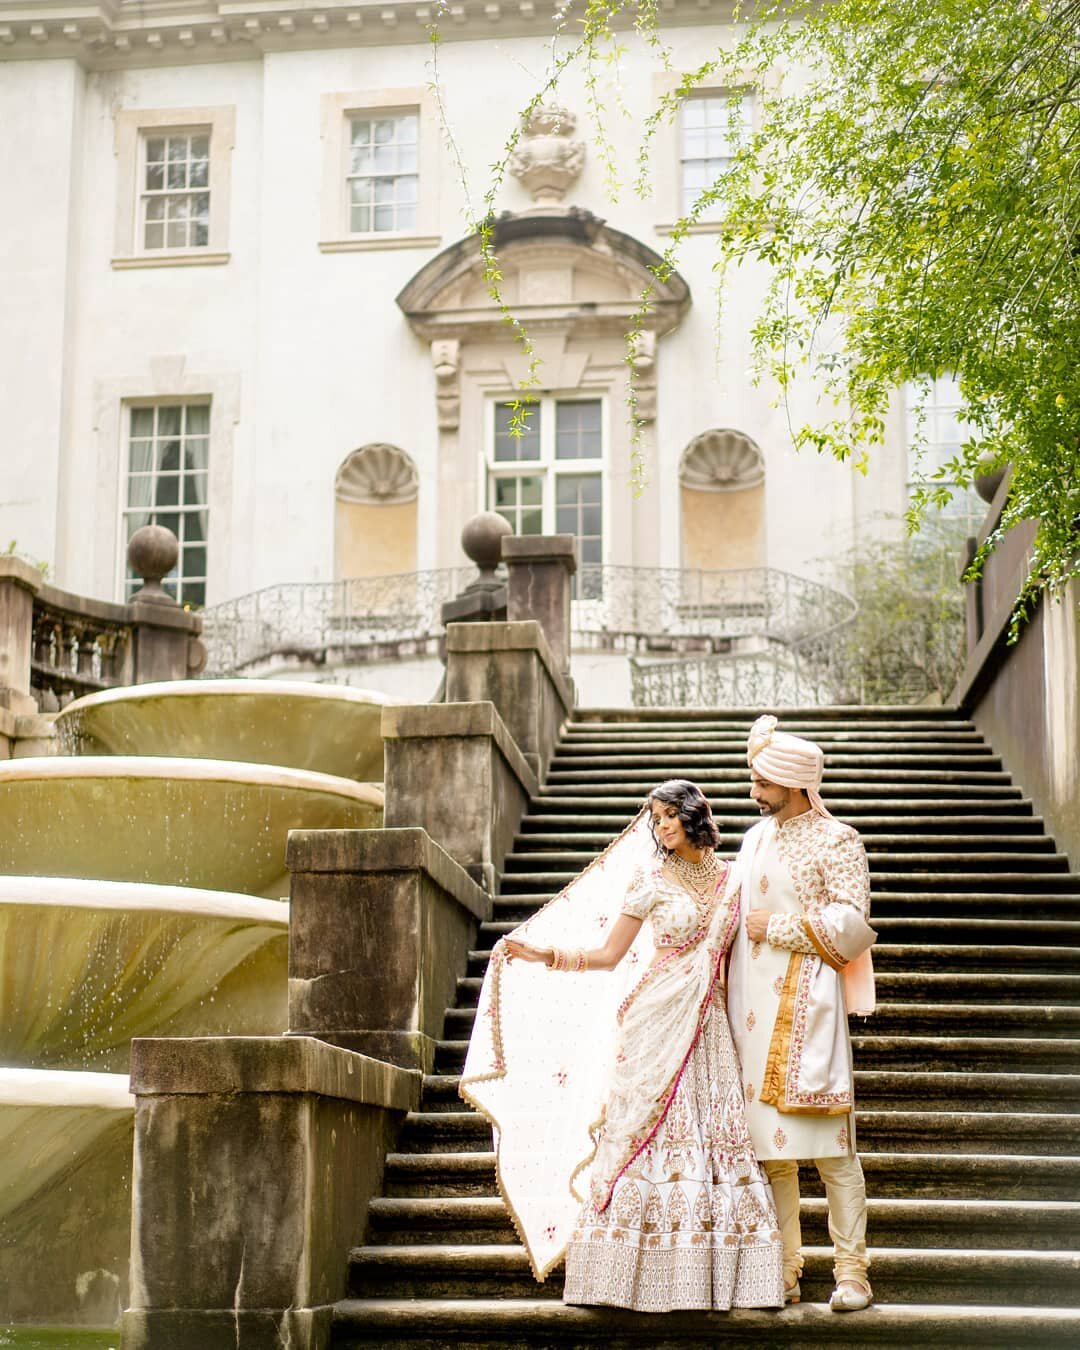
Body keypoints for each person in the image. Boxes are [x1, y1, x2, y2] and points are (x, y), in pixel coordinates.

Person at [460, 779, 785, 1313]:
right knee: (640, 1130)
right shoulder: (650, 879)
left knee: (716, 1133)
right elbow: (610, 956)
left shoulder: (736, 879)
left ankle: (711, 1270)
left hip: (710, 1023)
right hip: (656, 1017)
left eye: (666, 817)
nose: (659, 828)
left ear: (691, 815)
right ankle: (623, 1275)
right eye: (654, 819)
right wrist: (544, 955)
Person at [727, 714, 878, 1312]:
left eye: (762, 780)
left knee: (834, 1152)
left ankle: (852, 1274)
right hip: (750, 1012)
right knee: (773, 1155)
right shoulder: (752, 839)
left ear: (791, 784)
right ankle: (785, 1270)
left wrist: (780, 927)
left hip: (806, 1006)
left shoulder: (838, 839)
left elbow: (851, 925)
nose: (753, 790)